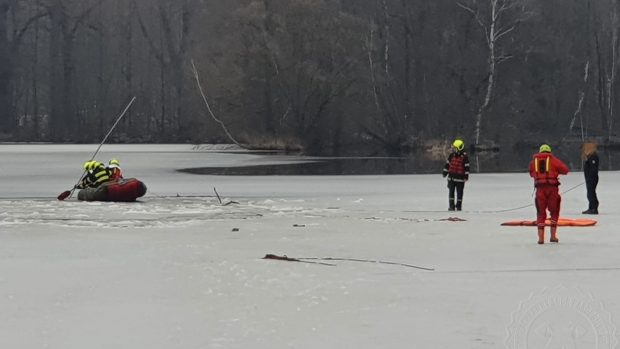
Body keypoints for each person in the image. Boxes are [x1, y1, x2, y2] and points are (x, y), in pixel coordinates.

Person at [528, 144, 569, 244]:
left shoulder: (534, 162)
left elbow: (531, 173)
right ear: (549, 152)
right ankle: (553, 236)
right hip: (552, 190)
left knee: (540, 213)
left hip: (540, 190)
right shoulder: (554, 160)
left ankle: (541, 239)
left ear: (540, 152)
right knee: (554, 212)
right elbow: (565, 170)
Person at [442, 139, 470, 211]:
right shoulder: (451, 155)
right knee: (451, 193)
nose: (453, 149)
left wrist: (466, 177)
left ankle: (458, 206)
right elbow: (447, 165)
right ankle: (451, 206)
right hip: (451, 178)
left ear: (458, 148)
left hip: (460, 179)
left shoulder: (464, 157)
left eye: (455, 148)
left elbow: (467, 167)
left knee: (459, 193)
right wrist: (445, 173)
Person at [581, 142, 599, 214]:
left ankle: (593, 208)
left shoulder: (593, 156)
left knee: (591, 193)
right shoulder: (590, 157)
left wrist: (590, 177)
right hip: (589, 178)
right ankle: (591, 207)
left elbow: (594, 169)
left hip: (592, 178)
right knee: (589, 193)